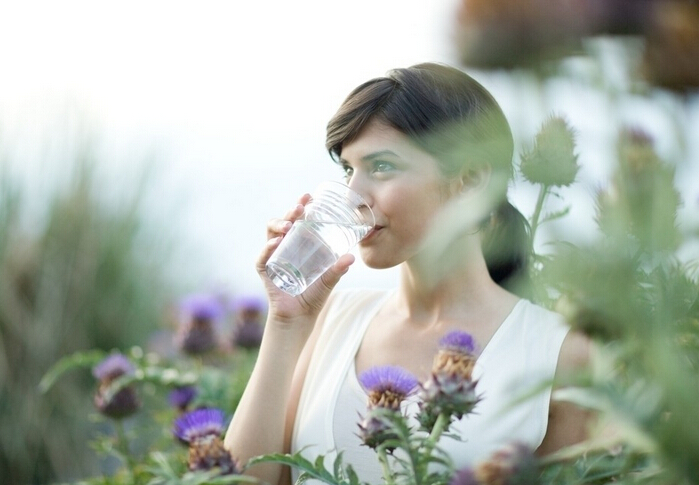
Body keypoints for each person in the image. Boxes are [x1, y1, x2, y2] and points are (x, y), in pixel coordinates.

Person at [224, 62, 591, 484]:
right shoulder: (328, 319)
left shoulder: (561, 351)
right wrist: (286, 320)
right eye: (348, 170)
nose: (353, 196)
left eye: (381, 167)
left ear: (469, 180)